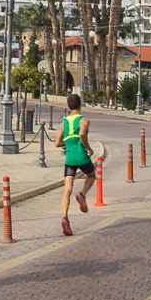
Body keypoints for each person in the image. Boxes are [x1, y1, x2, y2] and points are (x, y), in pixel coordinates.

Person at [54, 93, 95, 236]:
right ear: (80, 105)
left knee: (67, 190)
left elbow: (57, 143)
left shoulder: (63, 123)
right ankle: (82, 194)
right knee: (91, 175)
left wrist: (69, 142)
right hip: (82, 158)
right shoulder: (84, 120)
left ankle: (65, 218)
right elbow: (82, 134)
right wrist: (88, 148)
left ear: (67, 106)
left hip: (69, 160)